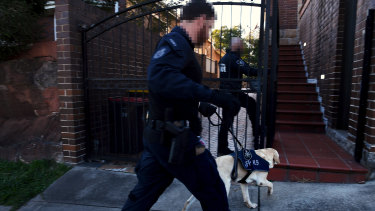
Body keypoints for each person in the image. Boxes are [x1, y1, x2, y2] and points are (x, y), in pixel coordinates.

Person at [122, 1, 240, 210]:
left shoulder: (182, 46)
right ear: (202, 19)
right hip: (176, 139)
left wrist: (199, 104)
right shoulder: (175, 42)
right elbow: (160, 78)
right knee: (213, 190)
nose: (209, 32)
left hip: (160, 137)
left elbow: (175, 88)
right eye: (210, 26)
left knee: (142, 196)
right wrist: (213, 95)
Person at [217, 37, 258, 155]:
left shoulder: (224, 58)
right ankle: (257, 134)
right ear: (236, 46)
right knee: (250, 106)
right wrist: (264, 71)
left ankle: (222, 148)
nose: (243, 47)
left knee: (226, 122)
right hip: (233, 93)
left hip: (226, 92)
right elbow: (248, 70)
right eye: (242, 44)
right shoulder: (234, 59)